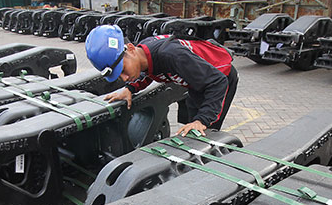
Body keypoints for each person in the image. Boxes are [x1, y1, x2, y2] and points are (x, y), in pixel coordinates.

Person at [85, 24, 238, 137]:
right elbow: (149, 71)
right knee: (191, 127)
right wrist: (130, 88)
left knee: (205, 131)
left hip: (218, 79)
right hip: (195, 82)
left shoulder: (172, 55)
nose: (124, 77)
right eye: (119, 75)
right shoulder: (143, 54)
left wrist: (202, 121)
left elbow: (218, 82)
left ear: (130, 49)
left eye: (123, 70)